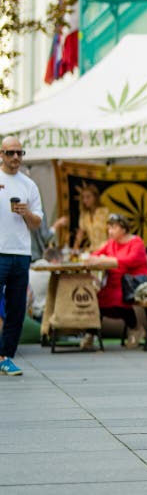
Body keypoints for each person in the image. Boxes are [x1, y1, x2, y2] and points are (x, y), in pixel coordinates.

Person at [0, 137, 43, 376]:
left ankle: (6, 356)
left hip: (20, 253)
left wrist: (26, 212)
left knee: (17, 308)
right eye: (10, 153)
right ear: (1, 154)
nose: (15, 157)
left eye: (19, 153)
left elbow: (37, 223)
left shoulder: (29, 185)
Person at [84, 213, 147, 349]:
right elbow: (93, 256)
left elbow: (129, 261)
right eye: (109, 228)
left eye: (114, 228)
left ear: (124, 229)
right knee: (98, 299)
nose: (110, 231)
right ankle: (90, 334)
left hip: (132, 282)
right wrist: (96, 258)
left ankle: (136, 329)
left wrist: (103, 259)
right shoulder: (110, 244)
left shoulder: (136, 242)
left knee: (118, 299)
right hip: (113, 283)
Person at [73, 183, 110, 252]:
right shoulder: (84, 215)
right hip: (92, 250)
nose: (85, 200)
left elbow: (110, 231)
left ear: (95, 197)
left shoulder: (104, 212)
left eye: (88, 197)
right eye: (83, 197)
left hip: (106, 249)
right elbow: (80, 233)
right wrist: (74, 249)